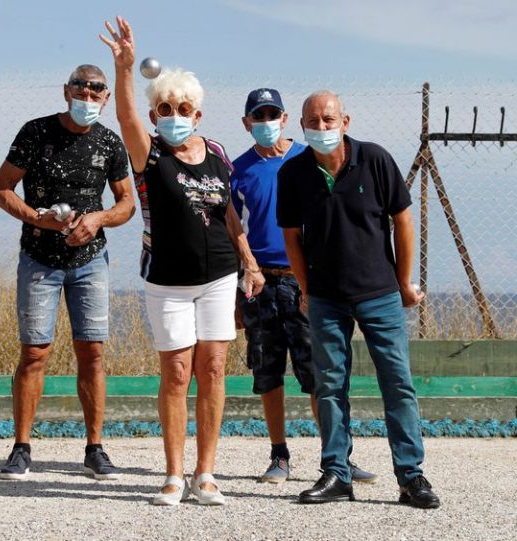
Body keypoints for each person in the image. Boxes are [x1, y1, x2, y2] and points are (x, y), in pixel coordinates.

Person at [101, 17, 263, 506]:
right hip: (167, 279)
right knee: (175, 372)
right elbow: (126, 117)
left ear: (198, 112)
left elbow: (229, 210)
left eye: (184, 108)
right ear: (155, 115)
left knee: (213, 369)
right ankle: (173, 474)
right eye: (166, 108)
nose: (175, 114)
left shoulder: (215, 152)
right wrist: (126, 70)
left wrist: (249, 261)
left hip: (219, 276)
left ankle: (206, 473)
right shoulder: (149, 153)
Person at [277, 90, 440, 508]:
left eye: (329, 120)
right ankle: (336, 473)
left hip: (379, 293)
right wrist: (306, 288)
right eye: (313, 122)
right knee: (329, 385)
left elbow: (402, 220)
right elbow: (291, 236)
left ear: (345, 122)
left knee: (398, 384)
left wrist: (404, 282)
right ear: (302, 126)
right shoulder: (292, 174)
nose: (322, 128)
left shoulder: (376, 160)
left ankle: (411, 476)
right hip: (326, 298)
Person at [0, 64, 135, 481]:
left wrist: (99, 219)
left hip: (91, 262)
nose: (87, 99)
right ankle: (21, 447)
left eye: (96, 93)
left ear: (106, 98)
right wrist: (42, 220)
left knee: (92, 352)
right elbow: (1, 189)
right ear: (65, 91)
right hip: (39, 259)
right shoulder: (35, 132)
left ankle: (95, 447)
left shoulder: (109, 142)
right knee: (35, 352)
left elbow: (126, 203)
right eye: (80, 90)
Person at [231, 88, 375, 485]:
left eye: (272, 114)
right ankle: (279, 455)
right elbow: (233, 227)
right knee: (268, 370)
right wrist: (240, 284)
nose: (265, 122)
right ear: (246, 123)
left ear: (285, 117)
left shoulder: (307, 158)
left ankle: (338, 456)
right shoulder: (238, 170)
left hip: (306, 283)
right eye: (257, 116)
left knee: (320, 372)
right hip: (261, 283)